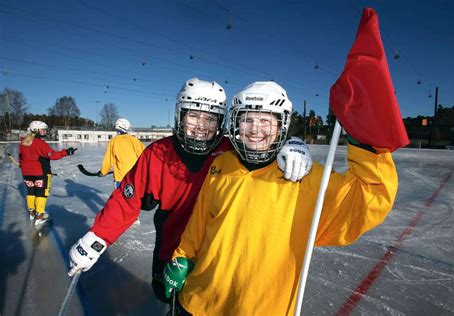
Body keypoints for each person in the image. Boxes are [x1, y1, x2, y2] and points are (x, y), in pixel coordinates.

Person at [67, 78, 313, 307]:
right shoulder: (158, 153)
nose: (201, 126)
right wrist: (98, 236)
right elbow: (127, 198)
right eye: (194, 116)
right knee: (170, 301)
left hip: (217, 258)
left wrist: (291, 145)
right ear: (181, 116)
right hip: (172, 251)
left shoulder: (231, 151)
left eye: (211, 118)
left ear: (221, 122)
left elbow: (261, 152)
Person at [162, 81, 399, 315]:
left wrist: (363, 139)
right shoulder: (221, 164)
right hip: (196, 302)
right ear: (236, 124)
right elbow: (199, 224)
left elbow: (370, 196)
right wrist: (182, 258)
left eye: (266, 120)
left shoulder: (306, 176)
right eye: (247, 120)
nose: (256, 130)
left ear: (281, 126)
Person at [19, 121, 77, 225]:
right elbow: (53, 155)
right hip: (40, 172)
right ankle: (40, 215)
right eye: (43, 129)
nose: (45, 131)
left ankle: (32, 212)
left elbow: (21, 157)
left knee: (31, 191)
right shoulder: (40, 143)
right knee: (42, 192)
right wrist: (66, 152)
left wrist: (23, 165)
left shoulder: (24, 142)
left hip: (26, 173)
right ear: (36, 130)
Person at [99, 118, 145, 189]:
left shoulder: (114, 141)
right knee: (133, 198)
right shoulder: (134, 140)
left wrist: (103, 171)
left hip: (121, 178)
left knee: (119, 198)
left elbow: (109, 159)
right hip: (135, 176)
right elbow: (144, 155)